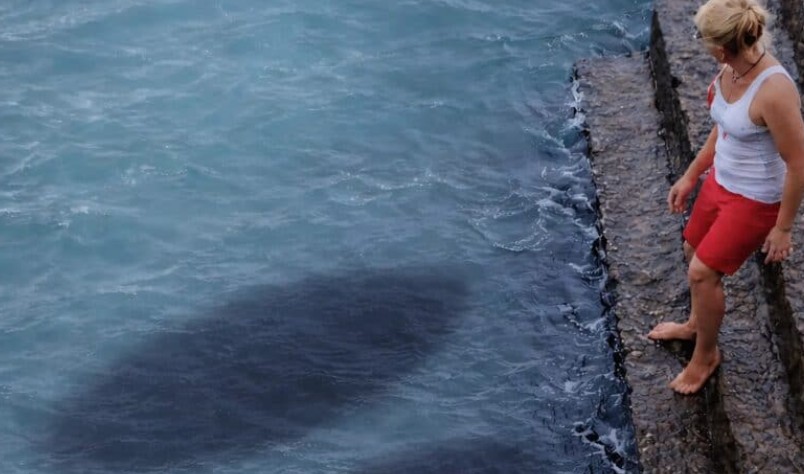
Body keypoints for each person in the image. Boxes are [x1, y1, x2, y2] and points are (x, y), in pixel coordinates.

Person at [647, 0, 804, 394]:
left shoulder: (775, 91)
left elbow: (799, 163)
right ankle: (695, 324)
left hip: (756, 198)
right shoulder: (730, 69)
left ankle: (706, 356)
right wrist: (691, 175)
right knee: (692, 249)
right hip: (721, 181)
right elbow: (724, 127)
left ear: (720, 48)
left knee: (703, 272)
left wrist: (783, 228)